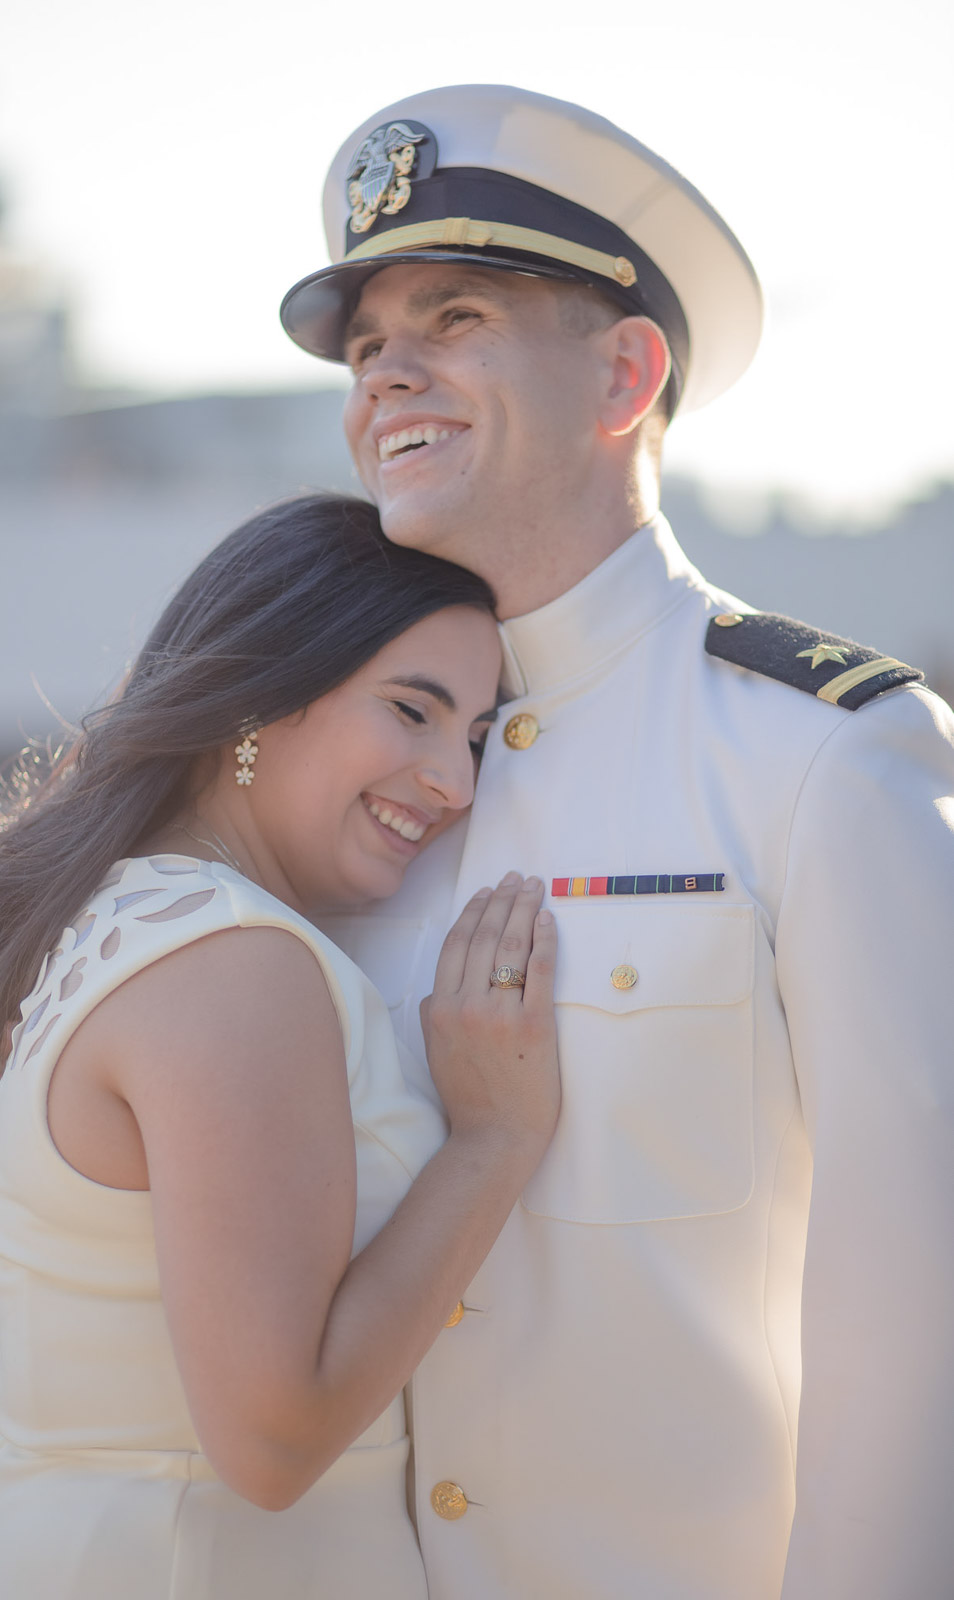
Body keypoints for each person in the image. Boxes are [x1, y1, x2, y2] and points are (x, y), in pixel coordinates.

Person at [278, 85, 954, 1598]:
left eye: (450, 318)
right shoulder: (321, 780)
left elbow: (917, 1313)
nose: (389, 374)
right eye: (368, 347)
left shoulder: (825, 754)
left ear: (623, 374)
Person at [0, 492, 563, 1600]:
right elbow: (273, 1439)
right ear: (261, 694)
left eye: (479, 737)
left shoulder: (111, 920)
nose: (457, 781)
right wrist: (493, 1136)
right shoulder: (231, 963)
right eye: (412, 710)